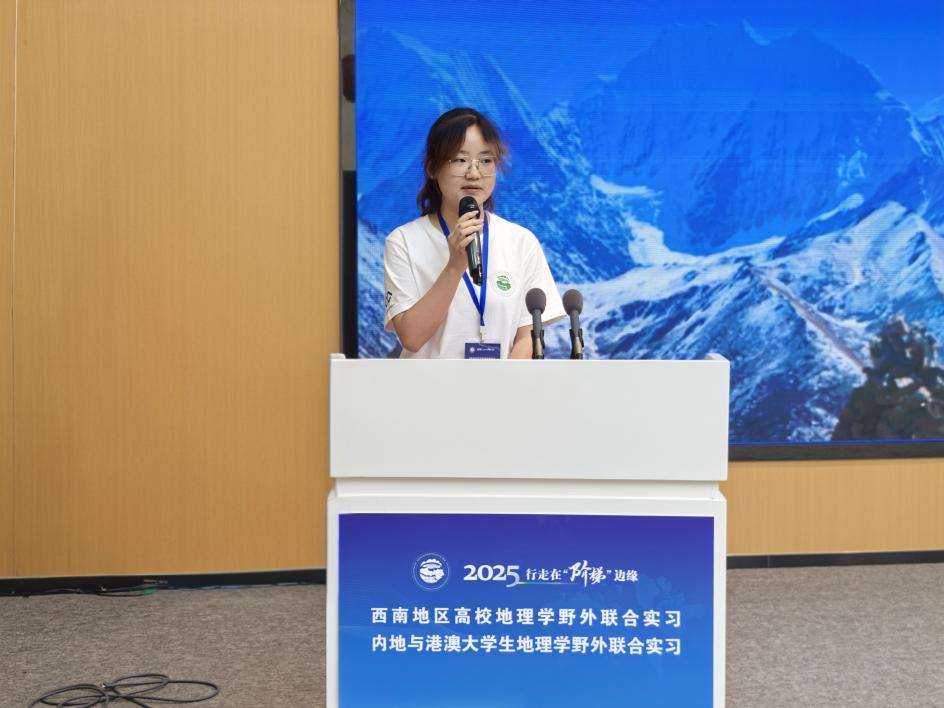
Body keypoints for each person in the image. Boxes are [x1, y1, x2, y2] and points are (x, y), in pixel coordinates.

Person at [383, 107, 565, 359]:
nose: (474, 173)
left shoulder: (521, 241)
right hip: (429, 384)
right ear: (433, 167)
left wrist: (502, 382)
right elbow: (411, 338)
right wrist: (454, 267)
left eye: (486, 161)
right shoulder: (403, 241)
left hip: (502, 384)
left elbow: (528, 337)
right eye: (460, 160)